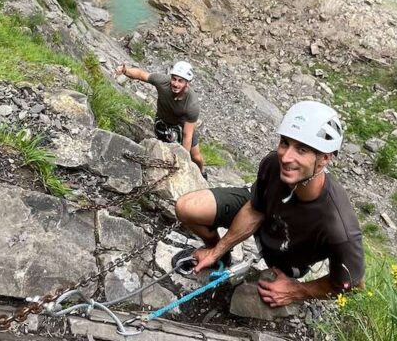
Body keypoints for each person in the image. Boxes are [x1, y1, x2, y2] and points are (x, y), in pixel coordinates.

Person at [173, 101, 365, 308]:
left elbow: (353, 283)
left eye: (301, 150)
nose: (286, 157)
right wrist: (217, 251)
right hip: (267, 220)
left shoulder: (338, 225)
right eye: (285, 143)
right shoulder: (273, 165)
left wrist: (297, 291)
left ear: (324, 159)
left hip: (286, 256)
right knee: (187, 207)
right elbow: (254, 210)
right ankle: (218, 253)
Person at [115, 60, 206, 177]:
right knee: (165, 151)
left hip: (182, 127)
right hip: (163, 123)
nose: (175, 84)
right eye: (174, 79)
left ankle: (202, 171)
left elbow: (187, 135)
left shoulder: (192, 104)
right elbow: (141, 75)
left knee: (196, 157)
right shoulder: (163, 81)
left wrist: (183, 160)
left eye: (180, 81)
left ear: (187, 83)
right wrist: (125, 70)